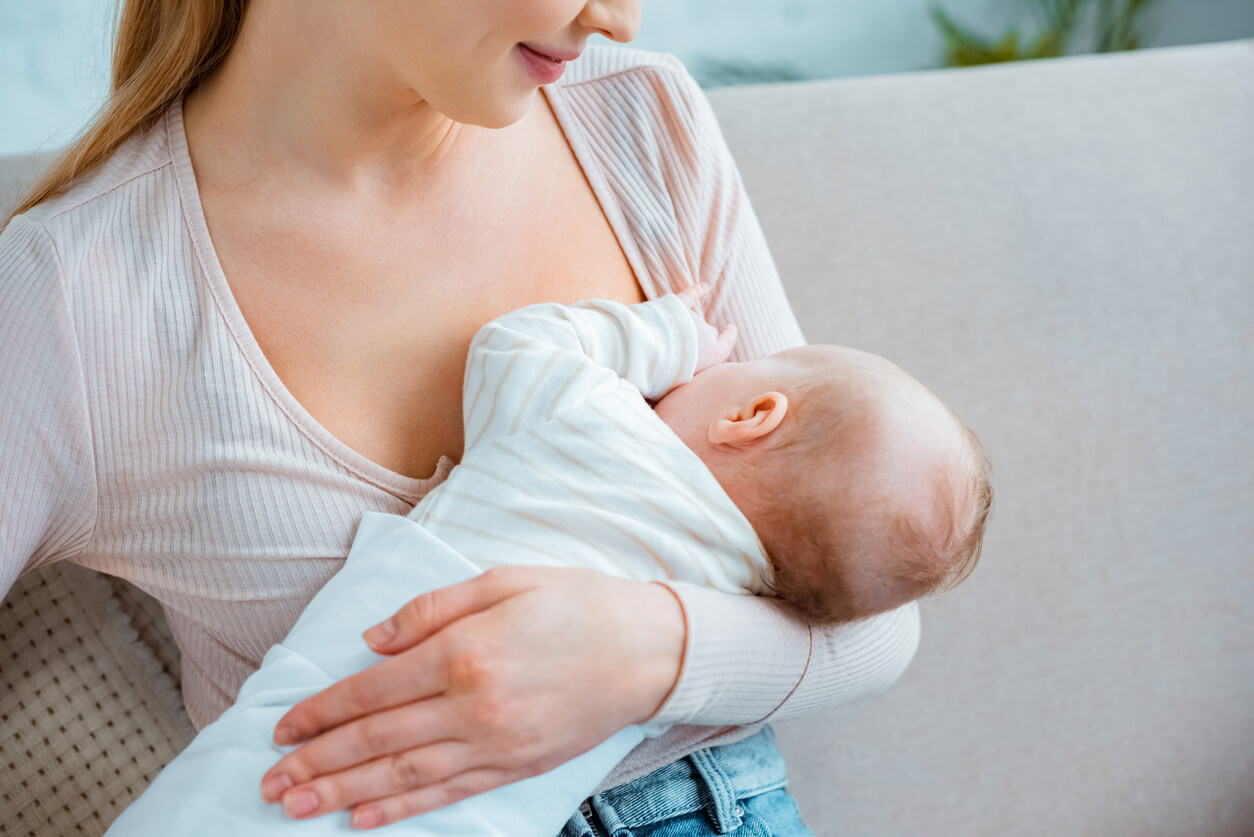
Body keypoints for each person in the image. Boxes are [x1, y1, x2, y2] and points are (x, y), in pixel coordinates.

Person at [1, 1, 924, 834]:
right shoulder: (79, 299)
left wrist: (641, 649)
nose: (621, 20)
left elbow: (873, 622)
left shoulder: (639, 119)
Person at [104, 287, 990, 835]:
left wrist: (672, 336)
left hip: (301, 751)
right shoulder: (745, 589)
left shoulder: (594, 423)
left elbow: (514, 344)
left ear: (752, 413)